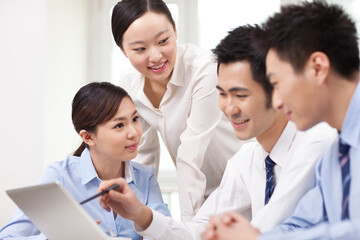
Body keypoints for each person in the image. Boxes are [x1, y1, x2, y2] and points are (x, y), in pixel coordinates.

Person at [96, 25, 337, 240]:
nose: (229, 108)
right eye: (222, 94)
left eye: (241, 95)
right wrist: (143, 215)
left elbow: (265, 230)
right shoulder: (247, 161)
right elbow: (200, 228)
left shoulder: (317, 142)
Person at [206, 1, 360, 239]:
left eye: (277, 83)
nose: (276, 102)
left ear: (318, 68)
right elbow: (300, 224)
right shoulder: (334, 157)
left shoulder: (323, 144)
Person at [110, 0, 247, 221]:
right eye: (140, 49)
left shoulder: (205, 71)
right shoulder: (130, 88)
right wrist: (139, 220)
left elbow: (189, 155)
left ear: (175, 29)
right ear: (123, 50)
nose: (155, 57)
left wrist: (186, 229)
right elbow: (143, 157)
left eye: (163, 41)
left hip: (242, 190)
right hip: (203, 197)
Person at [0, 82, 170, 240]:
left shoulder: (145, 179)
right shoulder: (60, 176)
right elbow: (8, 237)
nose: (134, 133)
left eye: (135, 119)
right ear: (88, 137)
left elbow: (165, 236)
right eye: (119, 125)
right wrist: (58, 236)